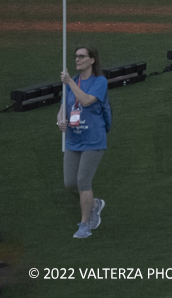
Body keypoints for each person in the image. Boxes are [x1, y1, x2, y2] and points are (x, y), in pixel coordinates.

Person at [58, 45, 109, 239]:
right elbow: (64, 106)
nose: (77, 60)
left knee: (82, 181)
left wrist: (70, 81)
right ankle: (95, 204)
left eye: (82, 56)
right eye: (76, 56)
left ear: (92, 60)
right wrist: (60, 120)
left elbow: (87, 101)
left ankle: (85, 224)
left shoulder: (100, 81)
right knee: (70, 183)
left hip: (93, 139)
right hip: (73, 139)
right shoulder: (71, 83)